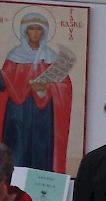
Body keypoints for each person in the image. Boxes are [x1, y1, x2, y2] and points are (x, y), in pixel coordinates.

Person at [1, 10, 74, 173]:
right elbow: (4, 82)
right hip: (18, 113)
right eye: (31, 28)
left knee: (41, 148)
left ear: (44, 32)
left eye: (39, 29)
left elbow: (65, 86)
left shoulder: (51, 56)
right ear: (25, 31)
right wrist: (20, 83)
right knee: (17, 148)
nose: (35, 33)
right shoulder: (14, 56)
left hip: (43, 114)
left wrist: (49, 87)